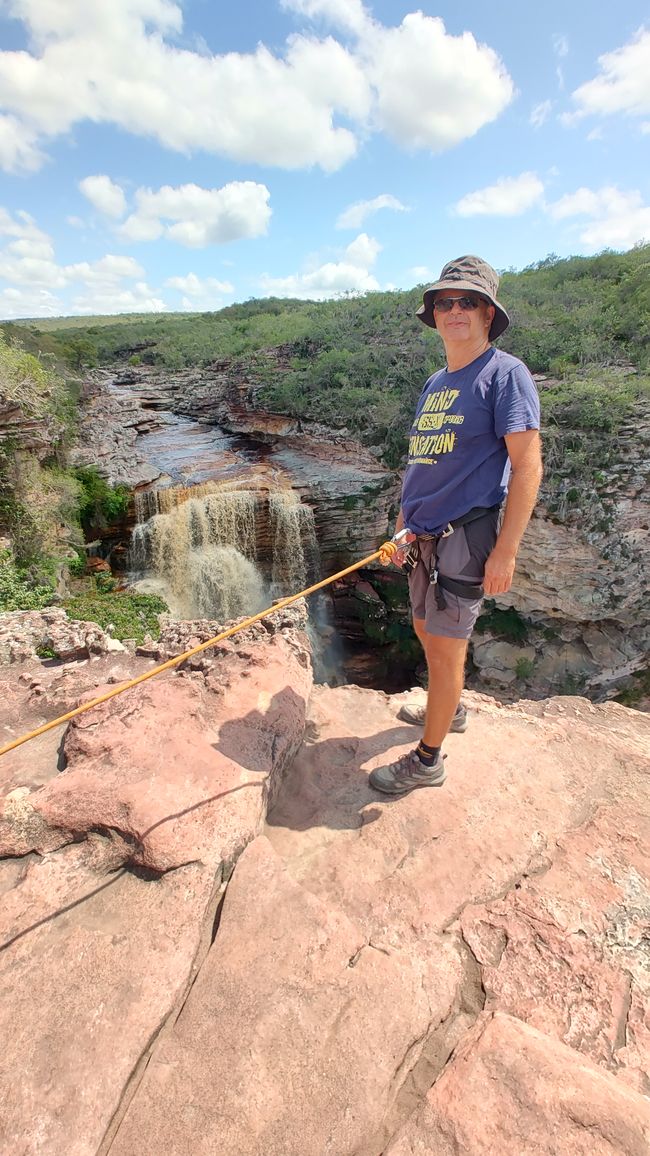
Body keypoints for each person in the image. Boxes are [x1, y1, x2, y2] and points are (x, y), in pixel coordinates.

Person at [369, 255, 543, 795]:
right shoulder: (436, 381)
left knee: (445, 647)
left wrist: (506, 551)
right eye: (445, 302)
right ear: (434, 314)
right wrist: (402, 524)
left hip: (464, 539)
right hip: (422, 536)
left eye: (468, 301)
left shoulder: (504, 374)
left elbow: (528, 465)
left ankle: (428, 760)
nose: (455, 310)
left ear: (489, 313)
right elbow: (422, 461)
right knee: (425, 627)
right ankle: (453, 707)